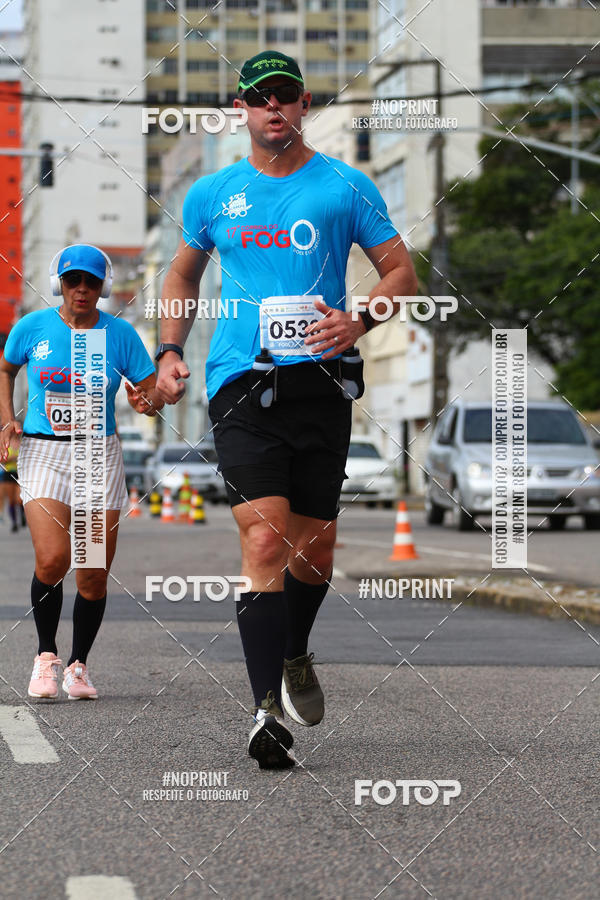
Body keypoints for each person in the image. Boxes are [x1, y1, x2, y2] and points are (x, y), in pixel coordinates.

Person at [155, 51, 417, 769]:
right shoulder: (214, 194)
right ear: (240, 109)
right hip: (241, 381)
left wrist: (358, 320)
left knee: (315, 549)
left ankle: (296, 647)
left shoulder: (345, 186)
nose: (272, 108)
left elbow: (402, 269)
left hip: (323, 385)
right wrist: (168, 350)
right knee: (265, 542)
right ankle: (265, 710)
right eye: (258, 98)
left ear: (303, 105)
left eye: (285, 96)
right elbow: (182, 268)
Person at [0, 244, 163, 701]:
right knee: (53, 560)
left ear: (103, 286)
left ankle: (78, 666)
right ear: (60, 284)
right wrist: (5, 418)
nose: (83, 290)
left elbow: (150, 394)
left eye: (92, 282)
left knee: (91, 572)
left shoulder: (120, 334)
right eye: (74, 281)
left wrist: (146, 401)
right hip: (43, 453)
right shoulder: (33, 327)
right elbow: (6, 368)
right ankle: (46, 656)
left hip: (97, 454)